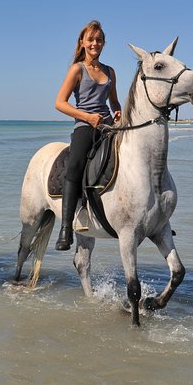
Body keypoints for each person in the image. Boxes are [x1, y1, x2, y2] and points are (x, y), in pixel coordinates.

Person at [53, 20, 122, 251]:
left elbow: (113, 102)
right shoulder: (77, 69)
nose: (95, 43)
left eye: (99, 39)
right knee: (75, 166)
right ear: (82, 43)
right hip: (85, 126)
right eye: (91, 39)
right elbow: (60, 104)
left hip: (107, 126)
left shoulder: (110, 71)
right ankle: (65, 228)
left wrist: (118, 111)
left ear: (104, 43)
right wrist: (87, 117)